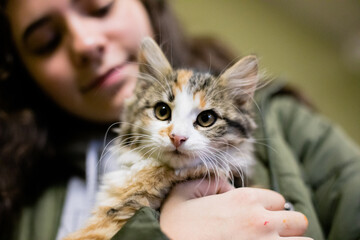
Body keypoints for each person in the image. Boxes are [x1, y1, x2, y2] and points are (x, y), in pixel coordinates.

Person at [0, 0, 359, 239]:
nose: (84, 44)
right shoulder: (22, 199)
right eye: (46, 40)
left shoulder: (285, 122)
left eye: (99, 6)